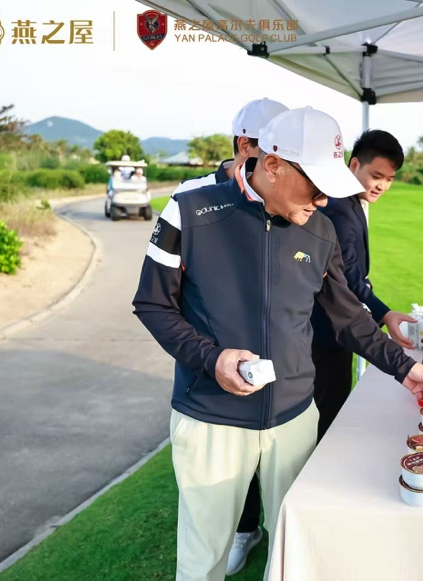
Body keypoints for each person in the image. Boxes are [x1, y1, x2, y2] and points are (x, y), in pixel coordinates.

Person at [132, 106, 423, 581]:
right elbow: (152, 304)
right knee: (202, 561)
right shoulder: (189, 210)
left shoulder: (321, 229)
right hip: (211, 416)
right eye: (315, 185)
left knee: (295, 554)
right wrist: (211, 359)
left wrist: (405, 367)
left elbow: (347, 317)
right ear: (273, 163)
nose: (323, 199)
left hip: (296, 415)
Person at [163, 97, 289, 576]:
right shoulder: (189, 199)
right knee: (209, 524)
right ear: (246, 145)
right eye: (275, 151)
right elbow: (163, 299)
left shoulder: (286, 204)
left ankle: (251, 530)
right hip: (211, 388)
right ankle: (241, 530)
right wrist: (210, 353)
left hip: (278, 392)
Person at [309, 129, 415, 441]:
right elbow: (349, 279)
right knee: (328, 413)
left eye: (390, 179)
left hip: (336, 328)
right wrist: (384, 314)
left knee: (333, 407)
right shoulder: (339, 209)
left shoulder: (352, 201)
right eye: (376, 176)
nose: (382, 185)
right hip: (328, 331)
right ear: (354, 164)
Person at [174, 97, 289, 195]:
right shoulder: (189, 193)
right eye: (275, 149)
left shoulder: (290, 199)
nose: (286, 160)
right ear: (245, 146)